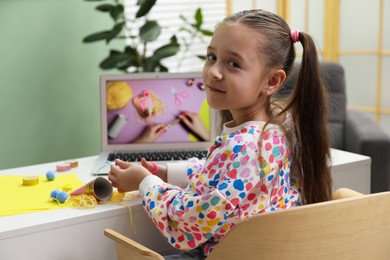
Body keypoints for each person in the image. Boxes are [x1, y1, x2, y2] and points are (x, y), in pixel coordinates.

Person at [108, 9, 332, 259]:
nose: (213, 71)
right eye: (211, 57)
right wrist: (165, 172)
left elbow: (189, 222)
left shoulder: (246, 148)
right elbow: (225, 177)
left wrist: (145, 182)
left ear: (272, 81)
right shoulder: (281, 126)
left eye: (233, 64)